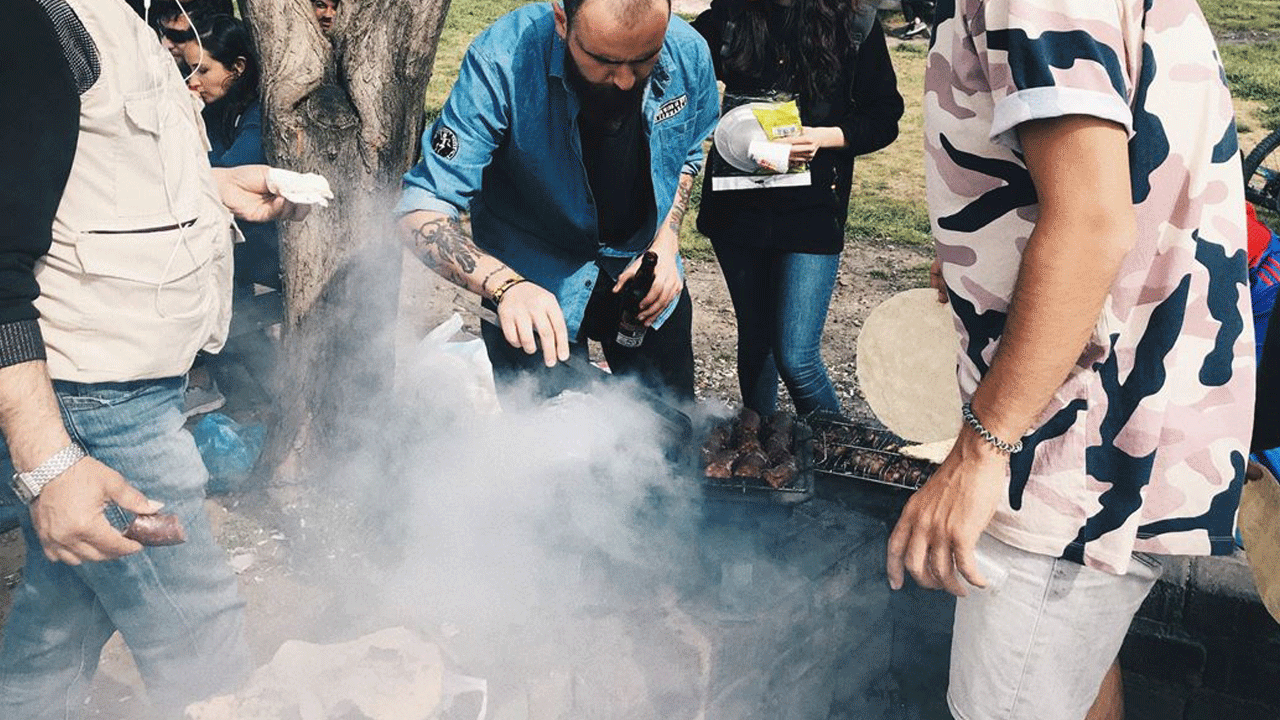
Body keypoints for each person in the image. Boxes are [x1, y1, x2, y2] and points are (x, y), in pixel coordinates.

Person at [887, 2, 1253, 720]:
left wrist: (981, 449)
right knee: (1073, 684)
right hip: (1099, 433)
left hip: (1064, 446)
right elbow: (1116, 172)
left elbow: (1091, 225)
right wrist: (986, 260)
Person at [0, 0, 309, 716]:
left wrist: (215, 190)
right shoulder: (36, 19)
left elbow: (85, 176)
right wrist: (51, 463)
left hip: (129, 382)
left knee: (62, 618)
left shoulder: (121, 12)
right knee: (199, 634)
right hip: (102, 401)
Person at [395, 0, 719, 404]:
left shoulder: (688, 51)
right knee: (548, 449)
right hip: (530, 281)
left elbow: (687, 153)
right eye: (603, 61)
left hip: (647, 273)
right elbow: (420, 209)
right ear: (562, 21)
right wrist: (506, 286)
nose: (623, 81)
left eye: (643, 61)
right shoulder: (501, 60)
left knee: (677, 430)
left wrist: (667, 242)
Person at [692, 0, 902, 417]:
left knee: (796, 356)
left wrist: (826, 137)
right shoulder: (729, 16)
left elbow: (885, 116)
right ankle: (760, 448)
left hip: (812, 208)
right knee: (756, 340)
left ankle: (844, 455)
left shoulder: (853, 20)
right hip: (737, 202)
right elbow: (673, 62)